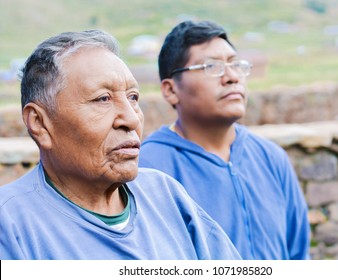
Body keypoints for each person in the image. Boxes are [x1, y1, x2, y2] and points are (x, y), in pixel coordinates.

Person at [0, 30, 241, 260]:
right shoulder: (11, 224)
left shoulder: (165, 194)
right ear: (40, 123)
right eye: (103, 99)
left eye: (133, 97)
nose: (132, 119)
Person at [139, 20, 311, 260]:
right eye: (212, 66)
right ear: (170, 90)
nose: (231, 77)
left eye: (236, 65)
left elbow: (298, 254)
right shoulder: (149, 169)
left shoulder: (271, 158)